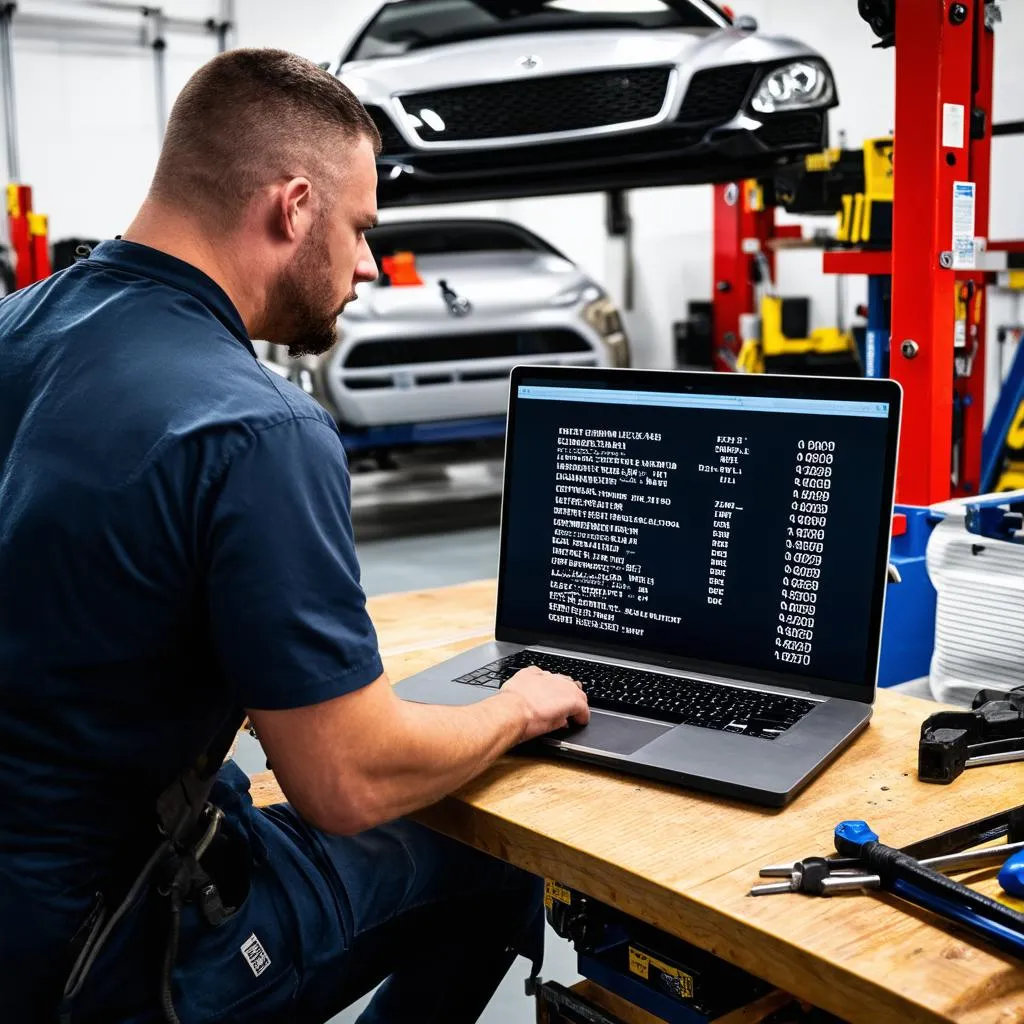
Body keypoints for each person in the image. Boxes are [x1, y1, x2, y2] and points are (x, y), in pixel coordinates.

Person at [0, 48, 590, 1024]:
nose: (366, 265)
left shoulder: (18, 328)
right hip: (107, 955)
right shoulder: (252, 425)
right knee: (487, 863)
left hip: (40, 878)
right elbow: (345, 781)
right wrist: (517, 707)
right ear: (294, 205)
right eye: (361, 229)